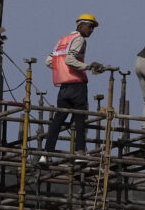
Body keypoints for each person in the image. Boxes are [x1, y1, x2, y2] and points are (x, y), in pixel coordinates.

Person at [43, 13, 106, 152]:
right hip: (77, 86)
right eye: (90, 26)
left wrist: (62, 70)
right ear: (81, 25)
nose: (91, 30)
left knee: (58, 120)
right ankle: (79, 153)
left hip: (64, 87)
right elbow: (69, 60)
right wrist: (88, 67)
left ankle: (46, 153)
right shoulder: (79, 39)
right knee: (80, 120)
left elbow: (48, 61)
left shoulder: (63, 40)